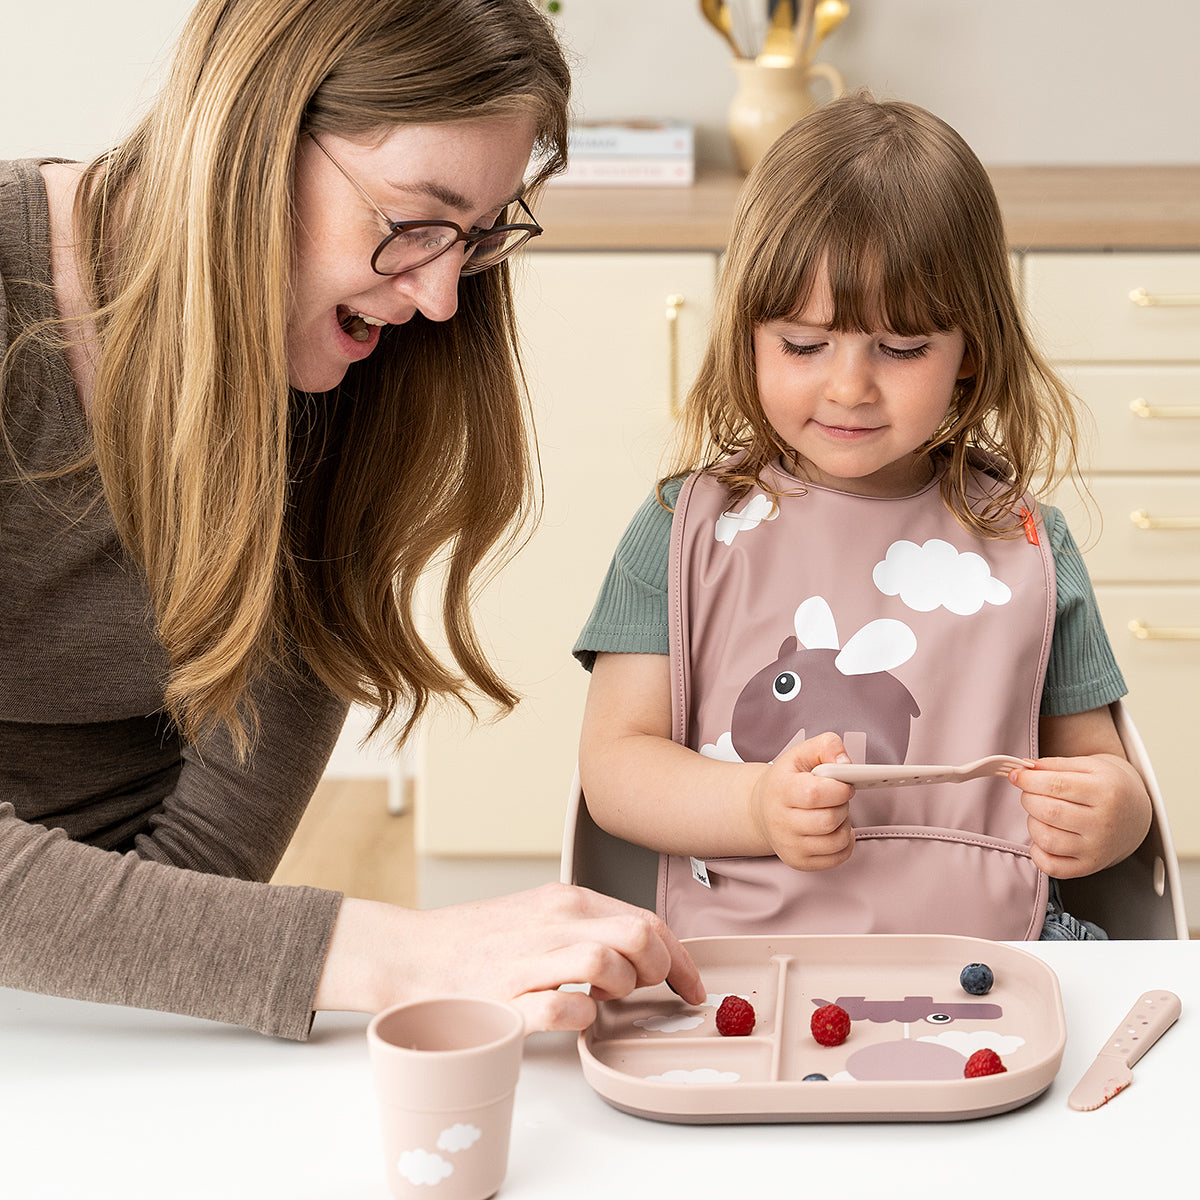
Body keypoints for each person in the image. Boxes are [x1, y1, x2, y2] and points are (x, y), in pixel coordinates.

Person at [0, 0, 704, 1041]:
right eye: (411, 219)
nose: (437, 299)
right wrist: (399, 951)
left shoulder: (345, 393)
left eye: (472, 238)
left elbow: (203, 865)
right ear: (257, 129)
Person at [574, 93, 1153, 943]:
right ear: (746, 338)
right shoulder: (680, 532)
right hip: (742, 962)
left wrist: (1116, 812)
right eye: (804, 346)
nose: (849, 387)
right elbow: (615, 770)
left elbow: (1102, 766)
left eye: (904, 347)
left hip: (996, 963)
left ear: (971, 354)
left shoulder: (1029, 545)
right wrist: (757, 807)